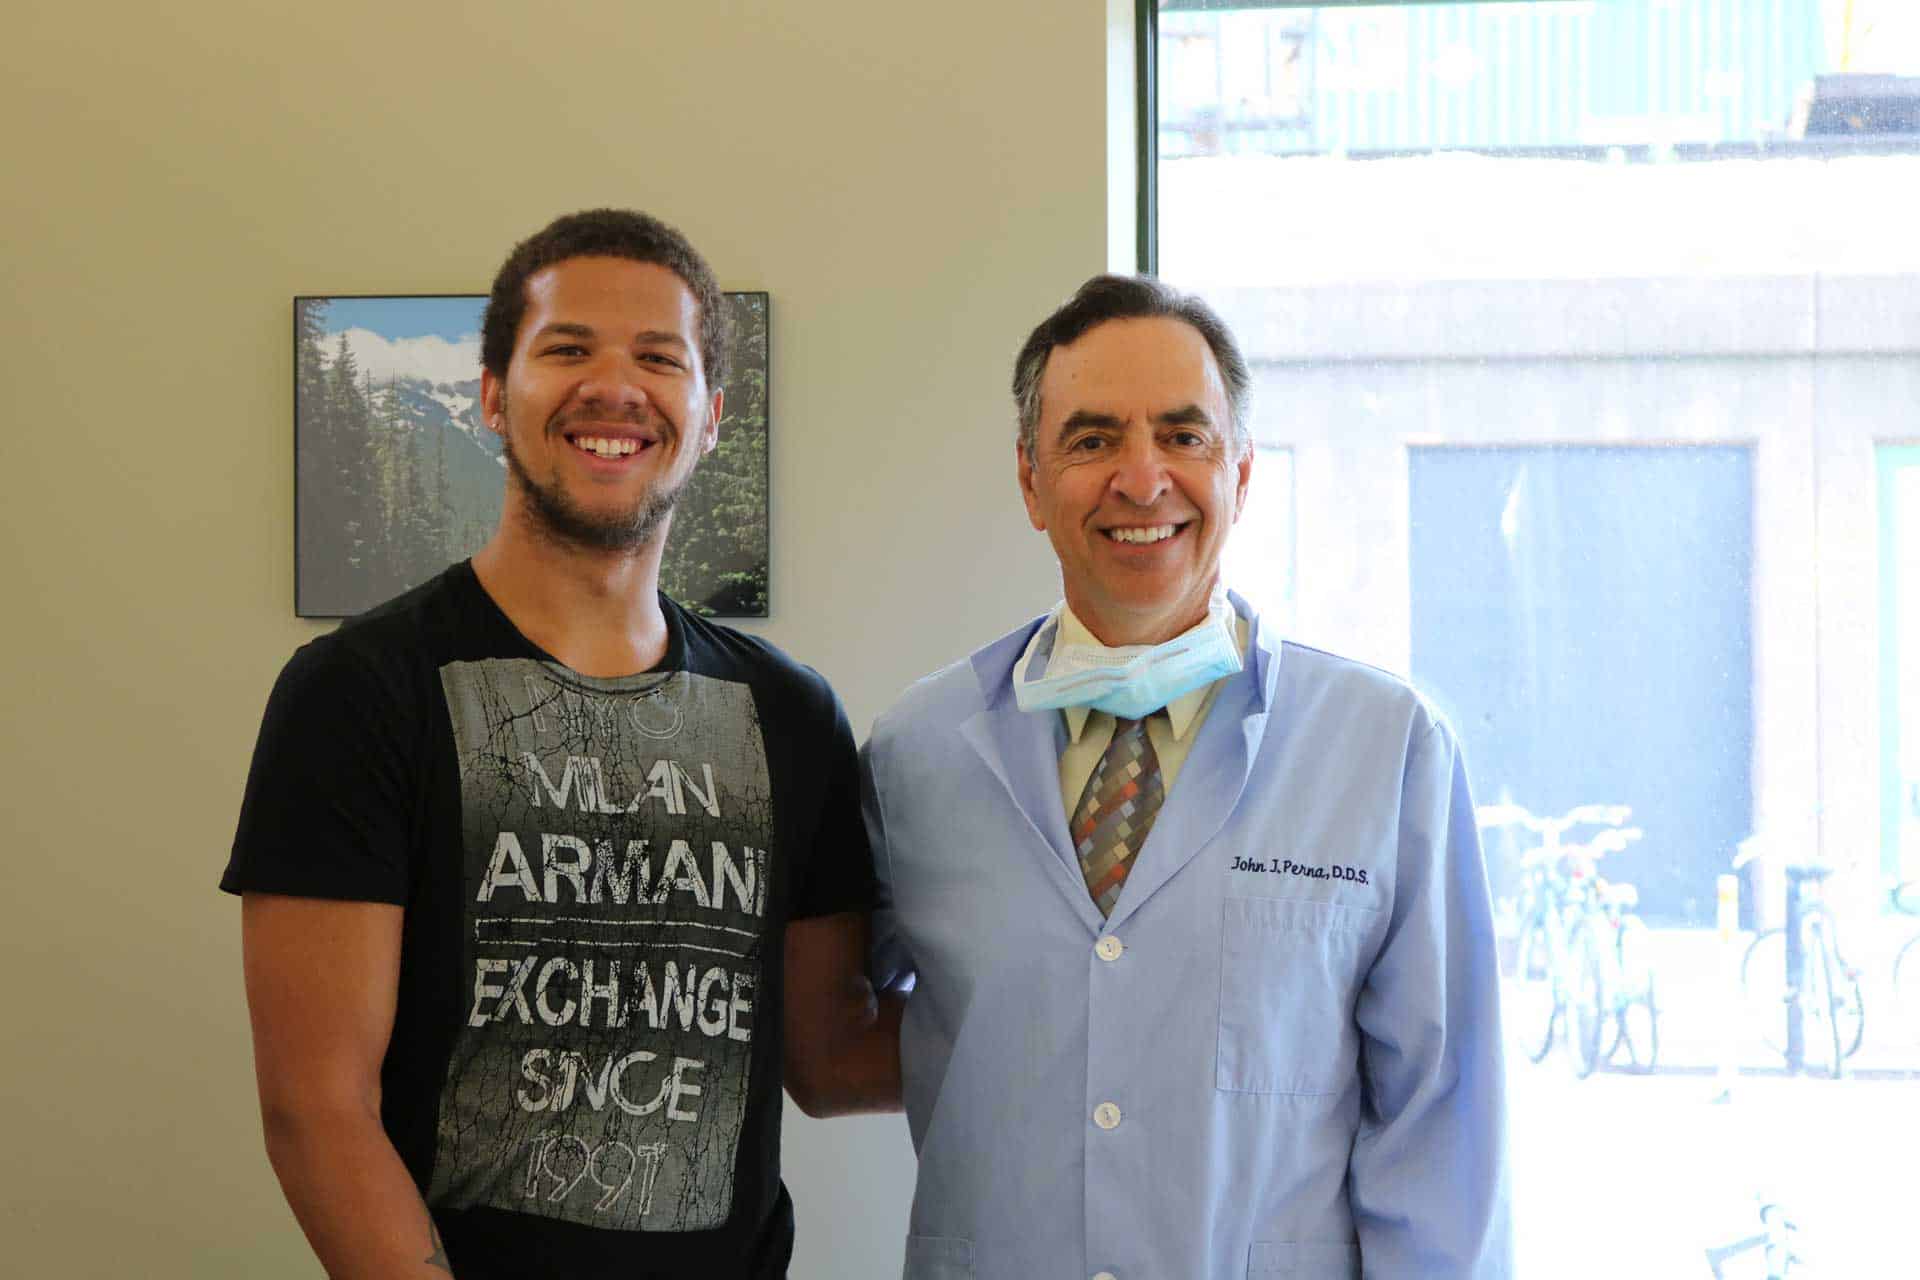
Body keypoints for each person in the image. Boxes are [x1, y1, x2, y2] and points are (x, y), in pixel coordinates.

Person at [225, 209, 900, 1280]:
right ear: (495, 395)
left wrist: (1106, 1012)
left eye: (658, 358)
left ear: (710, 415)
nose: (614, 388)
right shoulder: (358, 693)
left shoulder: (793, 715)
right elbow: (316, 1107)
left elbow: (828, 1055)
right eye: (568, 349)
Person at [862, 275, 1512, 1279]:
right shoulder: (920, 752)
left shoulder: (1384, 749)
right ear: (1031, 482)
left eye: (1184, 435)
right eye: (1091, 439)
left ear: (1241, 474)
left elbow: (1443, 1123)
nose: (1141, 476)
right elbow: (834, 1032)